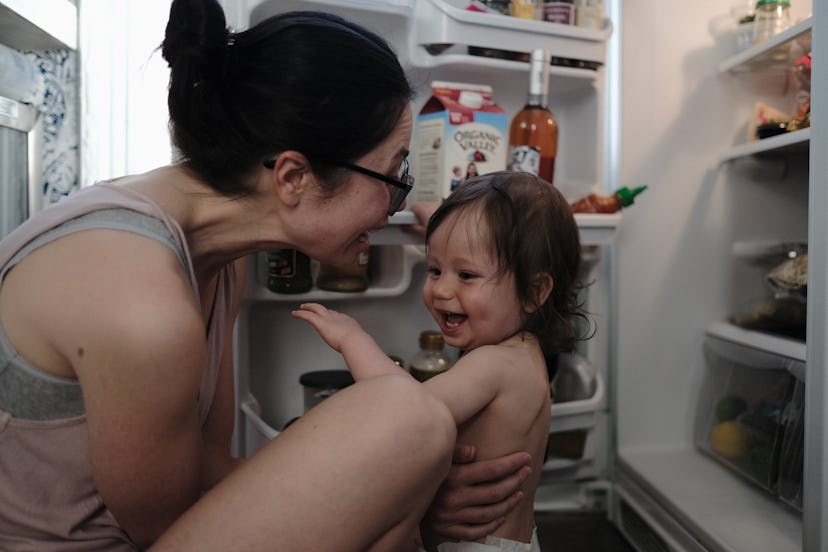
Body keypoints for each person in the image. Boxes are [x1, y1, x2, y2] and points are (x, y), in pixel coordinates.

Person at [0, 3, 531, 551]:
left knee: (406, 429)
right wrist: (407, 500)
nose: (395, 206)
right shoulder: (141, 303)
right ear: (294, 177)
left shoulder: (217, 257)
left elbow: (206, 464)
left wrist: (395, 487)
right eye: (394, 174)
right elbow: (163, 529)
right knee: (407, 419)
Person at [294, 171, 590, 552]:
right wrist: (440, 223)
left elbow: (405, 409)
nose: (442, 289)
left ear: (534, 291)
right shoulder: (524, 350)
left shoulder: (495, 364)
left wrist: (353, 340)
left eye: (466, 275)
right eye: (435, 270)